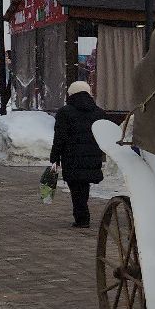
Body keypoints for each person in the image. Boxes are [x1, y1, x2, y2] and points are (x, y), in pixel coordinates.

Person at [49, 80, 109, 228]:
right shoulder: (99, 112)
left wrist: (55, 157)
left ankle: (82, 218)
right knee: (84, 185)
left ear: (71, 94)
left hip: (71, 157)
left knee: (76, 187)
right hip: (92, 156)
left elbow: (59, 137)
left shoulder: (65, 112)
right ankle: (82, 215)